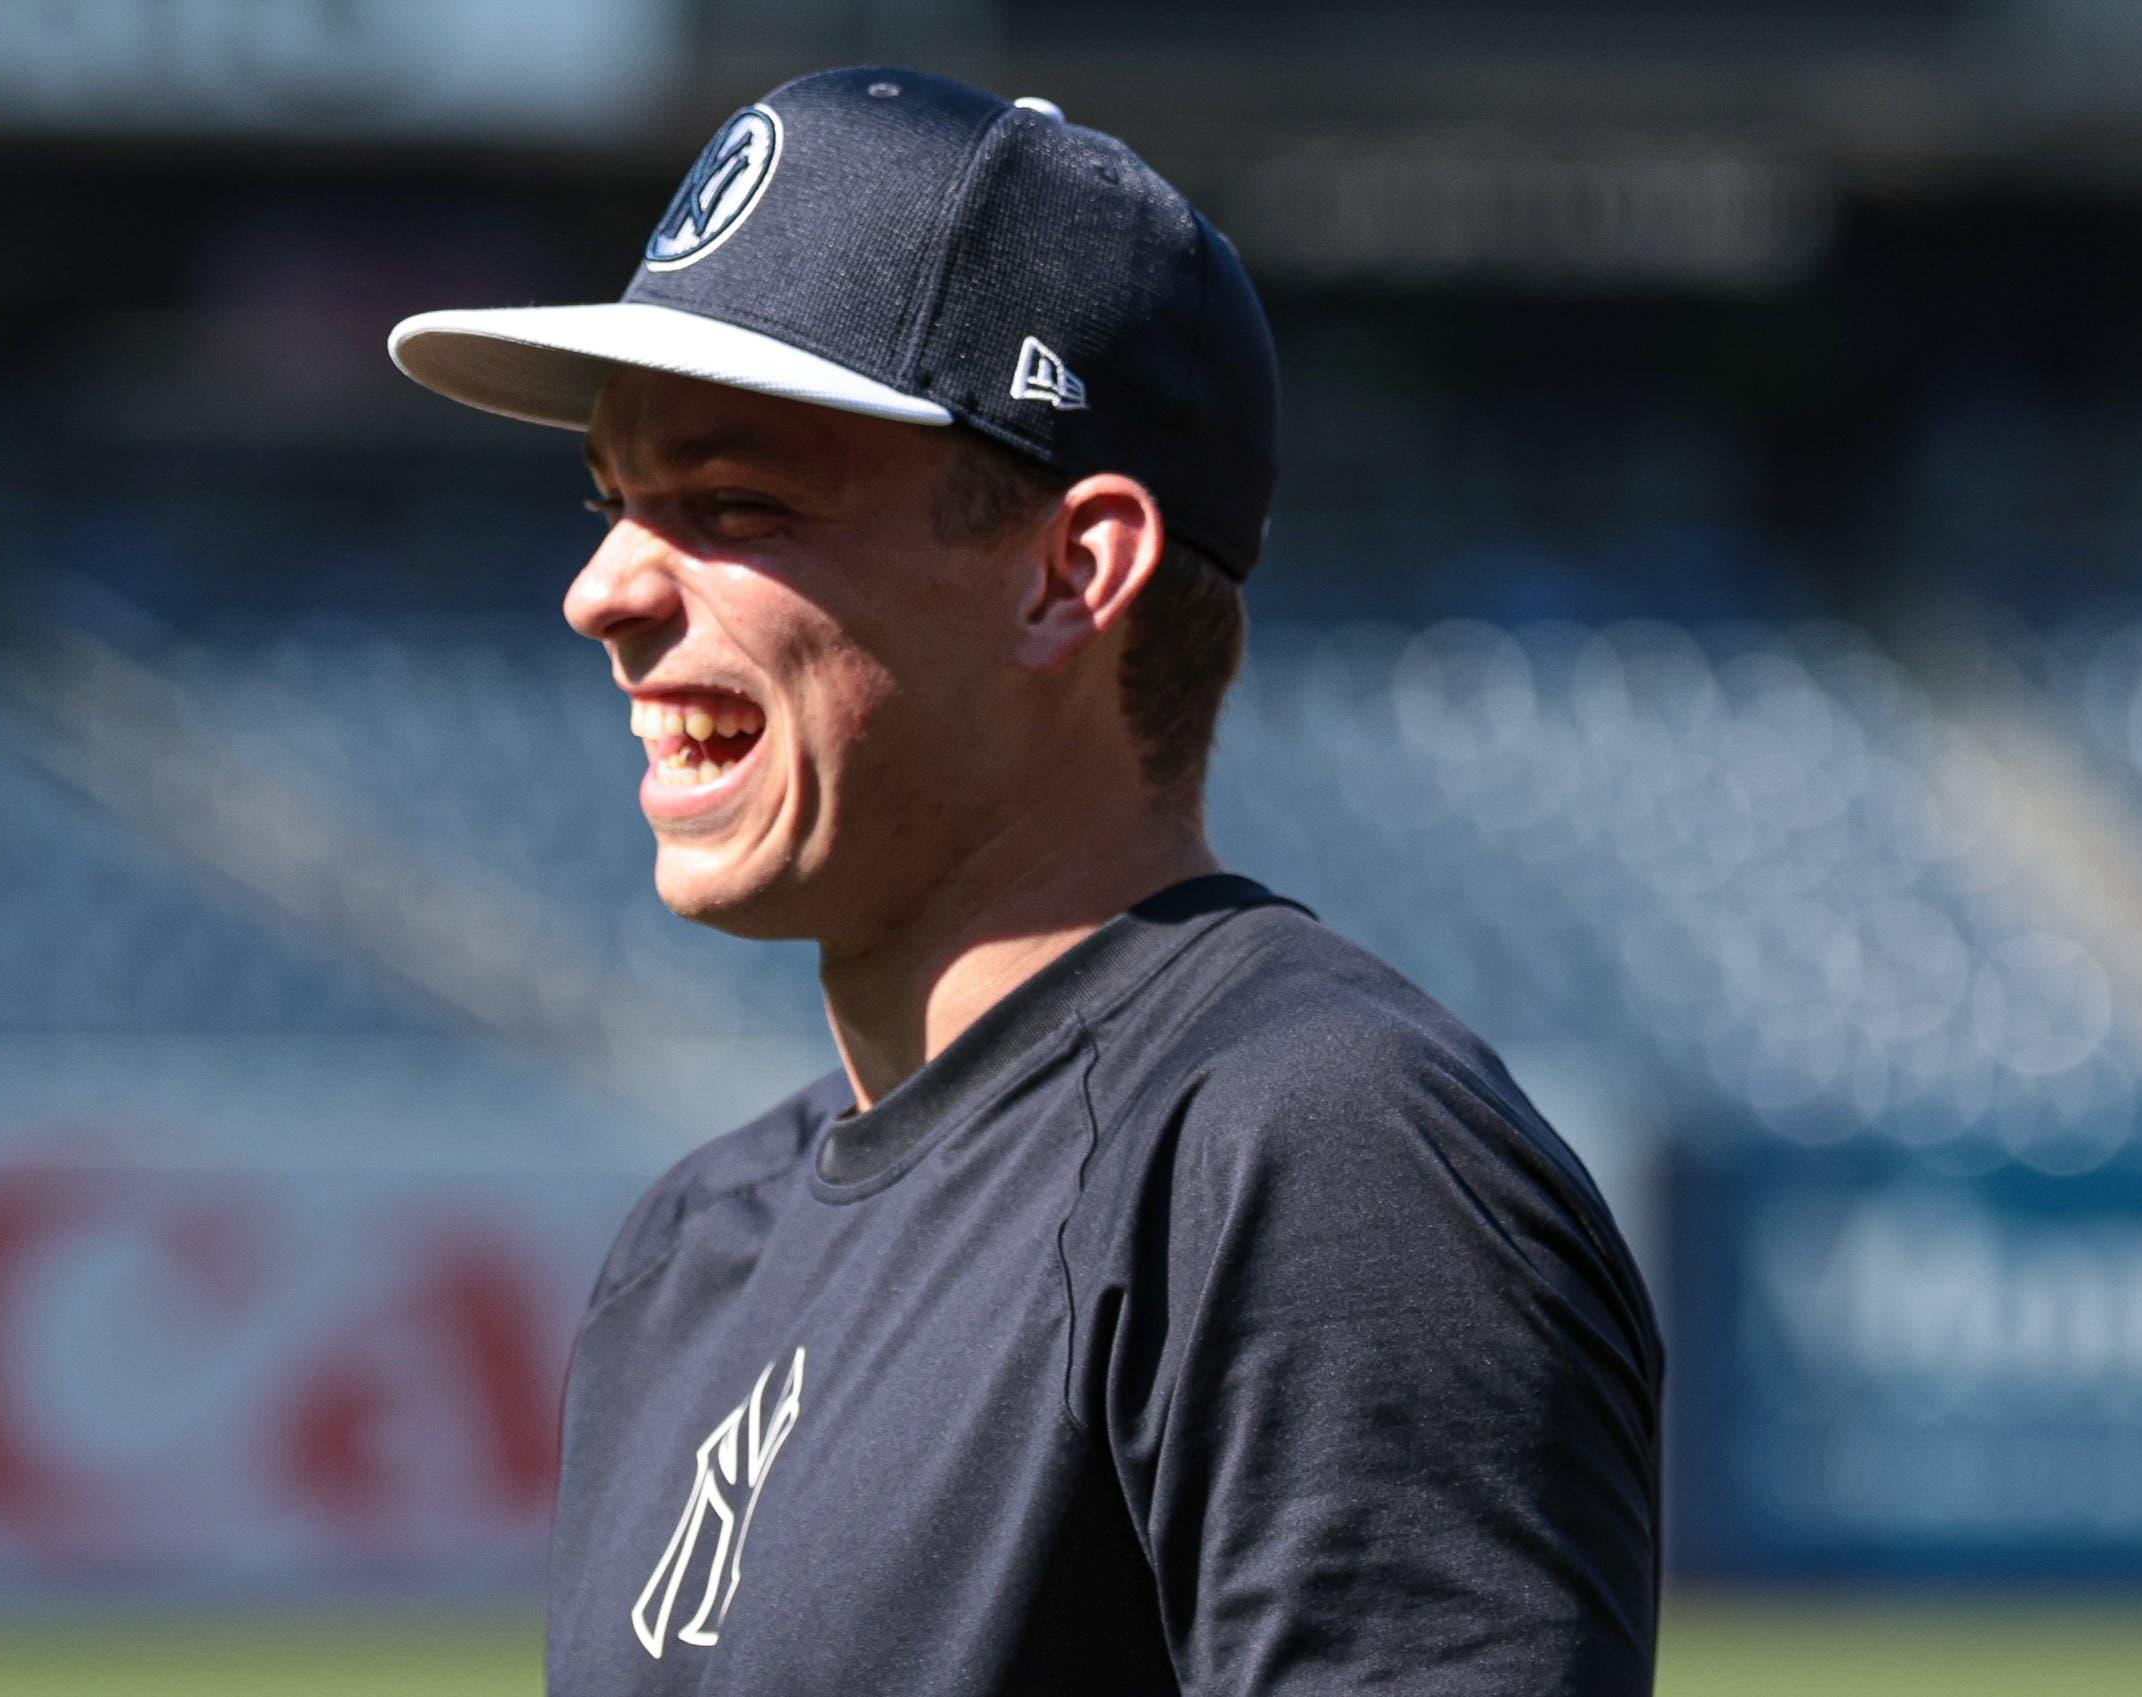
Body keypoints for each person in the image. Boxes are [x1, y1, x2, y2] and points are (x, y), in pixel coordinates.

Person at [389, 65, 1661, 1696]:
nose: (603, 592)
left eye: (730, 504)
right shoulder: (691, 1246)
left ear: (1071, 572)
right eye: (615, 502)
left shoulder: (1312, 1161)